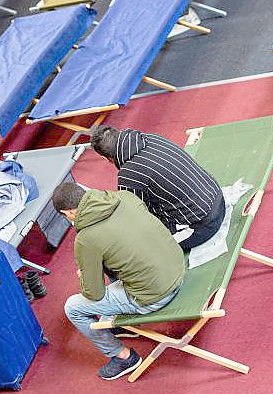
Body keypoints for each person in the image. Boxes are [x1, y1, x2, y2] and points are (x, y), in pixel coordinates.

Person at [53, 182, 185, 380]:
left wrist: (85, 274)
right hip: (176, 268)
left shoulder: (86, 239)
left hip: (156, 294)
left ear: (68, 213)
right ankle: (121, 324)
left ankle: (123, 357)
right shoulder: (124, 197)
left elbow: (94, 293)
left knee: (73, 308)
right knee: (112, 260)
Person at [90, 125, 225, 251]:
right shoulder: (152, 137)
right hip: (216, 196)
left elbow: (136, 217)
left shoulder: (129, 175)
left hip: (203, 225)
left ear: (105, 158)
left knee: (142, 244)